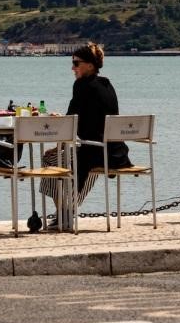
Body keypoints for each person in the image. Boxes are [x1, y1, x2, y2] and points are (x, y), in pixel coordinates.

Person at [41, 42, 131, 228]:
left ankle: (64, 212)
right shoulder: (107, 84)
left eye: (76, 63)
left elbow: (71, 124)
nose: (72, 67)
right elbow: (90, 121)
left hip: (93, 151)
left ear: (90, 65)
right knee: (81, 158)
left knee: (50, 159)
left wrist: (58, 124)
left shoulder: (81, 86)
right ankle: (68, 210)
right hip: (115, 153)